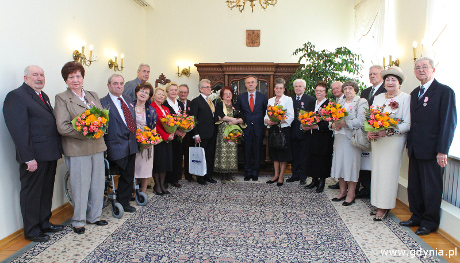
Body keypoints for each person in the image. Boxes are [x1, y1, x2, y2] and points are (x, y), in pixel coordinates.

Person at [3, 65, 64, 242]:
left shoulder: (42, 96)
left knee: (46, 191)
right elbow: (18, 130)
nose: (39, 78)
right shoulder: (17, 96)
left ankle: (44, 223)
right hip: (34, 156)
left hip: (49, 153)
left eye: (42, 75)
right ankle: (31, 230)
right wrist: (28, 157)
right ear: (26, 78)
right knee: (31, 193)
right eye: (35, 75)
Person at [401, 57, 457, 235]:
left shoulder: (444, 92)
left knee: (431, 188)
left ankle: (429, 222)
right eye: (417, 68)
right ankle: (416, 216)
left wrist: (443, 150)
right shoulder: (414, 92)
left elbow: (449, 123)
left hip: (433, 150)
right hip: (416, 148)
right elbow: (412, 122)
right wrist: (409, 145)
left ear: (433, 70)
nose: (421, 70)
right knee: (415, 186)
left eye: (425, 67)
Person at [54, 61, 108, 234]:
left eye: (78, 76)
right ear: (66, 80)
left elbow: (102, 119)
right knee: (80, 185)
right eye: (71, 77)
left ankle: (95, 216)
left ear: (83, 77)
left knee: (98, 184)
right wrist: (87, 132)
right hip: (77, 148)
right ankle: (78, 220)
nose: (75, 80)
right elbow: (62, 126)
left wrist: (99, 128)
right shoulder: (62, 98)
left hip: (98, 146)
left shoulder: (93, 94)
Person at [367, 67, 411, 221]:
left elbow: (407, 124)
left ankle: (384, 206)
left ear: (399, 82)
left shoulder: (406, 98)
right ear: (384, 82)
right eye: (387, 79)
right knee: (378, 171)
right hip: (378, 141)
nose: (390, 82)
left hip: (393, 141)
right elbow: (370, 118)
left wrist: (387, 132)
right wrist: (369, 131)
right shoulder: (378, 97)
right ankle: (377, 202)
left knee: (388, 173)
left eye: (394, 79)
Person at [100, 74, 138, 212]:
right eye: (115, 83)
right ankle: (117, 202)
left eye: (121, 83)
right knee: (120, 174)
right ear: (109, 85)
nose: (119, 86)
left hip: (131, 144)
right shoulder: (103, 103)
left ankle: (124, 202)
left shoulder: (128, 99)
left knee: (128, 176)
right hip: (115, 145)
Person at [330, 81, 368, 206]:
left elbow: (362, 120)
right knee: (340, 165)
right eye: (345, 89)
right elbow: (332, 118)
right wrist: (333, 124)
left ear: (355, 90)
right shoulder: (340, 102)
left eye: (350, 88)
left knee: (351, 166)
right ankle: (342, 192)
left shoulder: (361, 101)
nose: (347, 91)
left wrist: (345, 124)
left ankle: (351, 194)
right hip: (339, 138)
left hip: (352, 139)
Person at [356, 65, 385, 199]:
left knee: (376, 162)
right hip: (366, 131)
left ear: (382, 75)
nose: (372, 76)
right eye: (370, 74)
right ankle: (366, 187)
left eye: (375, 74)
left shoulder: (386, 90)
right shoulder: (365, 91)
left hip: (380, 132)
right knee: (365, 161)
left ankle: (375, 190)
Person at [303, 81, 334, 193]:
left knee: (322, 159)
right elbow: (306, 116)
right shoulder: (311, 103)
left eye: (321, 91)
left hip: (323, 136)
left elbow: (330, 122)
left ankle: (322, 182)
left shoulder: (329, 105)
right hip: (310, 136)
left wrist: (316, 126)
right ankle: (314, 180)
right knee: (311, 158)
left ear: (326, 93)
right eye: (317, 90)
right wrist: (304, 124)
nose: (318, 92)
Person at [237, 76, 268, 181]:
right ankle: (247, 172)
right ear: (245, 85)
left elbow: (265, 112)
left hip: (259, 129)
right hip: (245, 129)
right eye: (248, 82)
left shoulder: (263, 97)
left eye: (252, 82)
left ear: (256, 84)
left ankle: (255, 172)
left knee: (257, 151)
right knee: (246, 151)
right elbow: (238, 112)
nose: (250, 84)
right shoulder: (240, 97)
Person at [265, 78, 294, 186]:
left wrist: (278, 120)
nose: (278, 90)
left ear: (284, 89)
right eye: (277, 88)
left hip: (283, 129)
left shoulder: (288, 99)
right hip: (273, 129)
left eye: (280, 88)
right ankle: (275, 175)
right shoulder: (270, 100)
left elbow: (291, 116)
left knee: (283, 154)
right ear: (274, 88)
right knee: (274, 154)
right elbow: (266, 114)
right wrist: (267, 120)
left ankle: (281, 176)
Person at [190, 79, 218, 185]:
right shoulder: (196, 101)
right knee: (201, 156)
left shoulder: (210, 101)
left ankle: (208, 176)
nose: (209, 89)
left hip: (212, 133)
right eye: (207, 87)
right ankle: (200, 177)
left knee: (210, 155)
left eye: (210, 87)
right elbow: (193, 118)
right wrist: (196, 134)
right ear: (201, 89)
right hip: (201, 134)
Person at [287, 79, 315, 185]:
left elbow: (312, 115)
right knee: (294, 154)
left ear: (304, 88)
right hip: (292, 130)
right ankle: (295, 174)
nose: (298, 88)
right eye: (296, 86)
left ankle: (303, 176)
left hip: (305, 132)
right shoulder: (290, 99)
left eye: (300, 86)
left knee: (304, 155)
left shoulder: (310, 99)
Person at [214, 86, 244, 183]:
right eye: (226, 94)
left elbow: (242, 117)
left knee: (232, 151)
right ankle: (223, 175)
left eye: (230, 93)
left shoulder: (235, 105)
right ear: (222, 96)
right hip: (223, 131)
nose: (228, 95)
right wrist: (232, 119)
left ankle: (230, 174)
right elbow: (219, 116)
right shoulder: (219, 104)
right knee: (223, 151)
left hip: (233, 131)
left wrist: (237, 121)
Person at [133, 82, 156, 195]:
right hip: (132, 142)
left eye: (146, 92)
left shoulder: (151, 110)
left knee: (145, 168)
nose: (143, 94)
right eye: (141, 91)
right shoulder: (129, 106)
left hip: (147, 142)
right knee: (134, 168)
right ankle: (133, 191)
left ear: (149, 96)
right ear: (137, 92)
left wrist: (151, 141)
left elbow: (154, 129)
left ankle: (143, 191)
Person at [150, 87, 174, 194]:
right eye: (158, 94)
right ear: (153, 96)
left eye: (162, 95)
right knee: (158, 164)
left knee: (165, 163)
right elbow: (154, 125)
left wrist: (172, 132)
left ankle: (163, 185)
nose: (161, 96)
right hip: (158, 139)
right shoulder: (152, 107)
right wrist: (165, 135)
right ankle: (157, 186)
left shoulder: (166, 109)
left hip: (168, 139)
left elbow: (171, 123)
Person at [163, 82, 186, 188]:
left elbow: (183, 118)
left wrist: (184, 129)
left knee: (178, 157)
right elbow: (163, 121)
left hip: (180, 135)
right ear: (167, 91)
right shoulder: (164, 104)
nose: (173, 92)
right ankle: (166, 179)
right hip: (169, 135)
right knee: (168, 157)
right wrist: (174, 131)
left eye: (175, 90)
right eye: (171, 90)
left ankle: (175, 179)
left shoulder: (180, 104)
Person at [328, 80, 344, 190]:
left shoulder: (347, 100)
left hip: (345, 134)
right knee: (338, 159)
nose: (335, 91)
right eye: (333, 89)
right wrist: (332, 124)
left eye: (337, 88)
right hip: (336, 133)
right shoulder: (334, 101)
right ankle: (340, 182)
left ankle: (344, 183)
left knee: (343, 160)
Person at [179, 84, 194, 182]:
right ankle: (177, 174)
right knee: (178, 155)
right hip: (178, 134)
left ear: (188, 93)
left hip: (189, 135)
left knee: (189, 155)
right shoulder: (174, 103)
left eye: (185, 92)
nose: (183, 94)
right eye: (181, 92)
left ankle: (188, 174)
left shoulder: (191, 103)